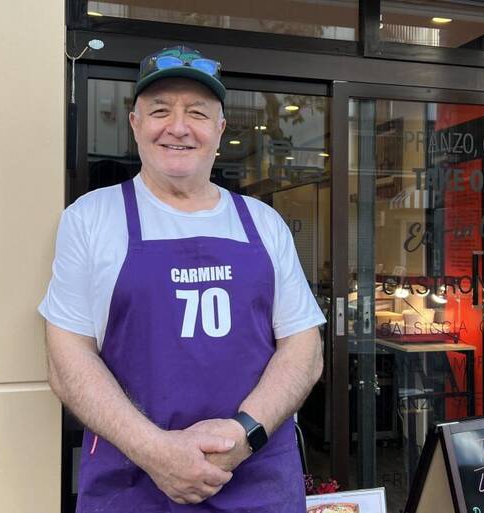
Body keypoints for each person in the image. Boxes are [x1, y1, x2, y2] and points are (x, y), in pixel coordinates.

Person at [38, 45, 326, 512]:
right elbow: (67, 357)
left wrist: (243, 435)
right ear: (134, 123)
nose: (178, 127)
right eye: (160, 111)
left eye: (197, 112)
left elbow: (304, 349)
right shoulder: (90, 219)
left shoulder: (263, 222)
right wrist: (156, 451)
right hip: (133, 483)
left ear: (220, 129)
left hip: (257, 481)